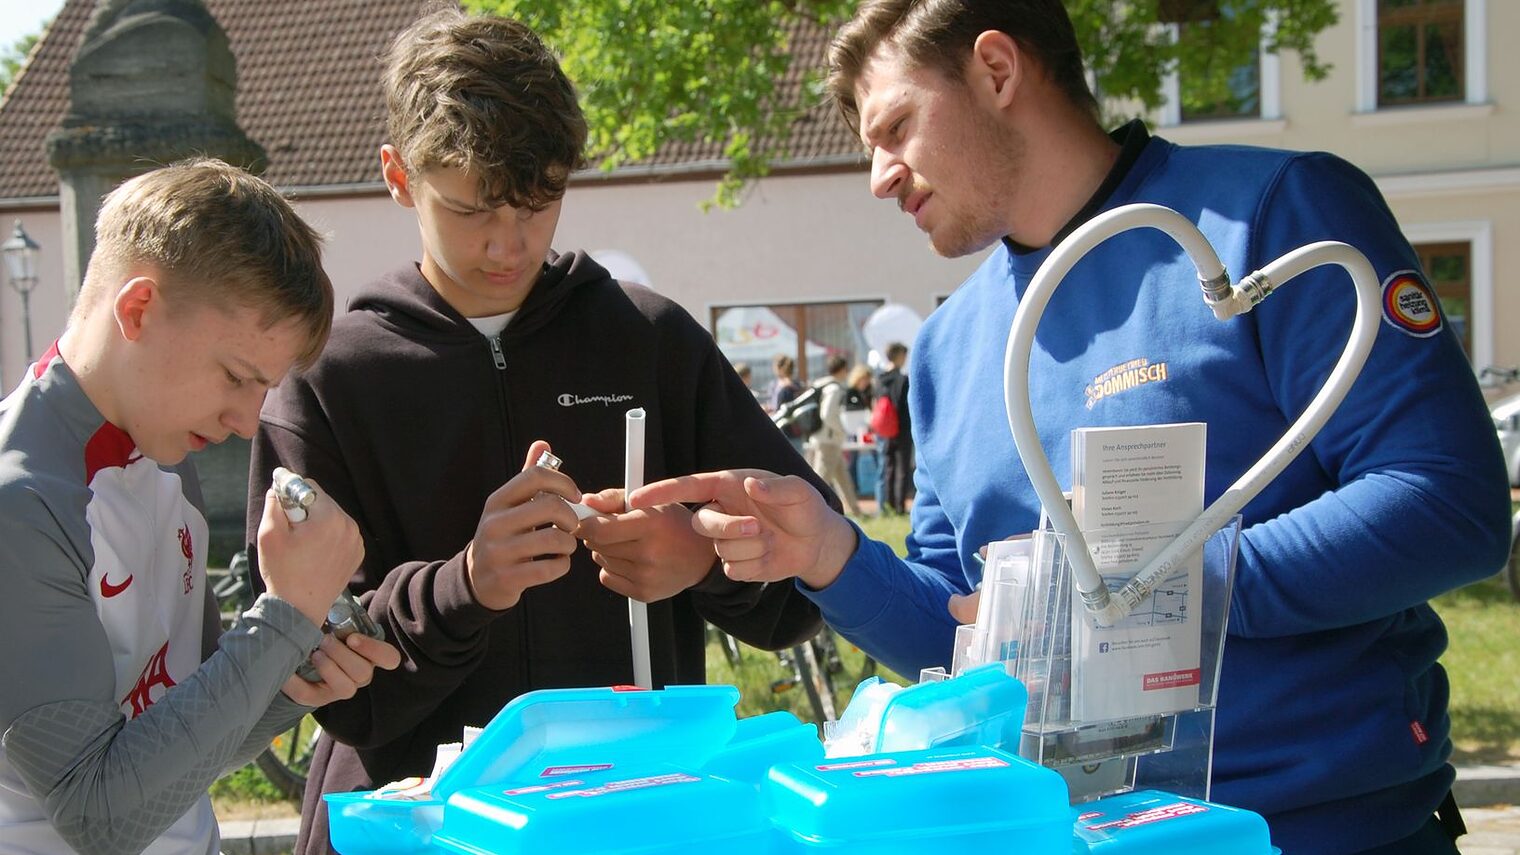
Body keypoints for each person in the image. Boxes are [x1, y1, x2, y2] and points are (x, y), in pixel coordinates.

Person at [629, 2, 1512, 853]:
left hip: (1316, 830)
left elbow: (1448, 502)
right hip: (1060, 831)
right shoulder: (949, 349)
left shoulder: (1269, 219)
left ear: (997, 69)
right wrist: (830, 556)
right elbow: (962, 637)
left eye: (896, 128)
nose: (880, 175)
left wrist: (1158, 589)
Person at [241, 10, 830, 854]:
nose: (507, 244)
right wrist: (466, 585)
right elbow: (323, 684)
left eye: (540, 200)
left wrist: (705, 559)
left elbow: (804, 592)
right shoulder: (328, 376)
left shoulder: (650, 339)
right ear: (398, 176)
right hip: (409, 829)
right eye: (472, 208)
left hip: (633, 822)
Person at [0, 159, 399, 854]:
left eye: (264, 388)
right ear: (138, 308)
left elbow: (181, 734)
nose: (248, 422)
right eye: (237, 378)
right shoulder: (20, 503)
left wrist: (292, 679)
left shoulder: (161, 456)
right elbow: (98, 815)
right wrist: (285, 616)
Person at [804, 355, 861, 516]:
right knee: (820, 480)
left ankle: (855, 510)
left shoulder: (821, 385)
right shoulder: (834, 389)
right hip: (828, 440)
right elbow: (827, 414)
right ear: (843, 369)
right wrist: (842, 429)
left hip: (823, 438)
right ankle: (811, 511)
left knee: (843, 477)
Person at [875, 341, 913, 514]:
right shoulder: (902, 380)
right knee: (902, 469)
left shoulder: (880, 379)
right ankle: (899, 505)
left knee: (887, 466)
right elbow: (904, 406)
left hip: (884, 429)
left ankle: (886, 503)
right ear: (899, 356)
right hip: (902, 428)